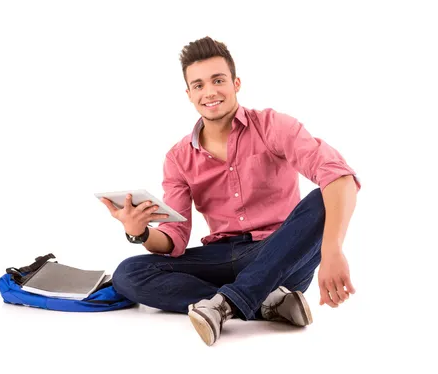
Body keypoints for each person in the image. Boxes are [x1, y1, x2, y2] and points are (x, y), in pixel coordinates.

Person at [100, 36, 361, 346]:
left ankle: (226, 304)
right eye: (198, 85)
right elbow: (174, 241)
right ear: (189, 94)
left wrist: (332, 250)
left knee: (322, 199)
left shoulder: (273, 126)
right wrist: (140, 232)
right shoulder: (179, 157)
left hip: (279, 252)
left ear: (236, 83)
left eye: (218, 80)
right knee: (129, 273)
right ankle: (260, 302)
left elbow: (340, 177)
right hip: (221, 257)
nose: (209, 92)